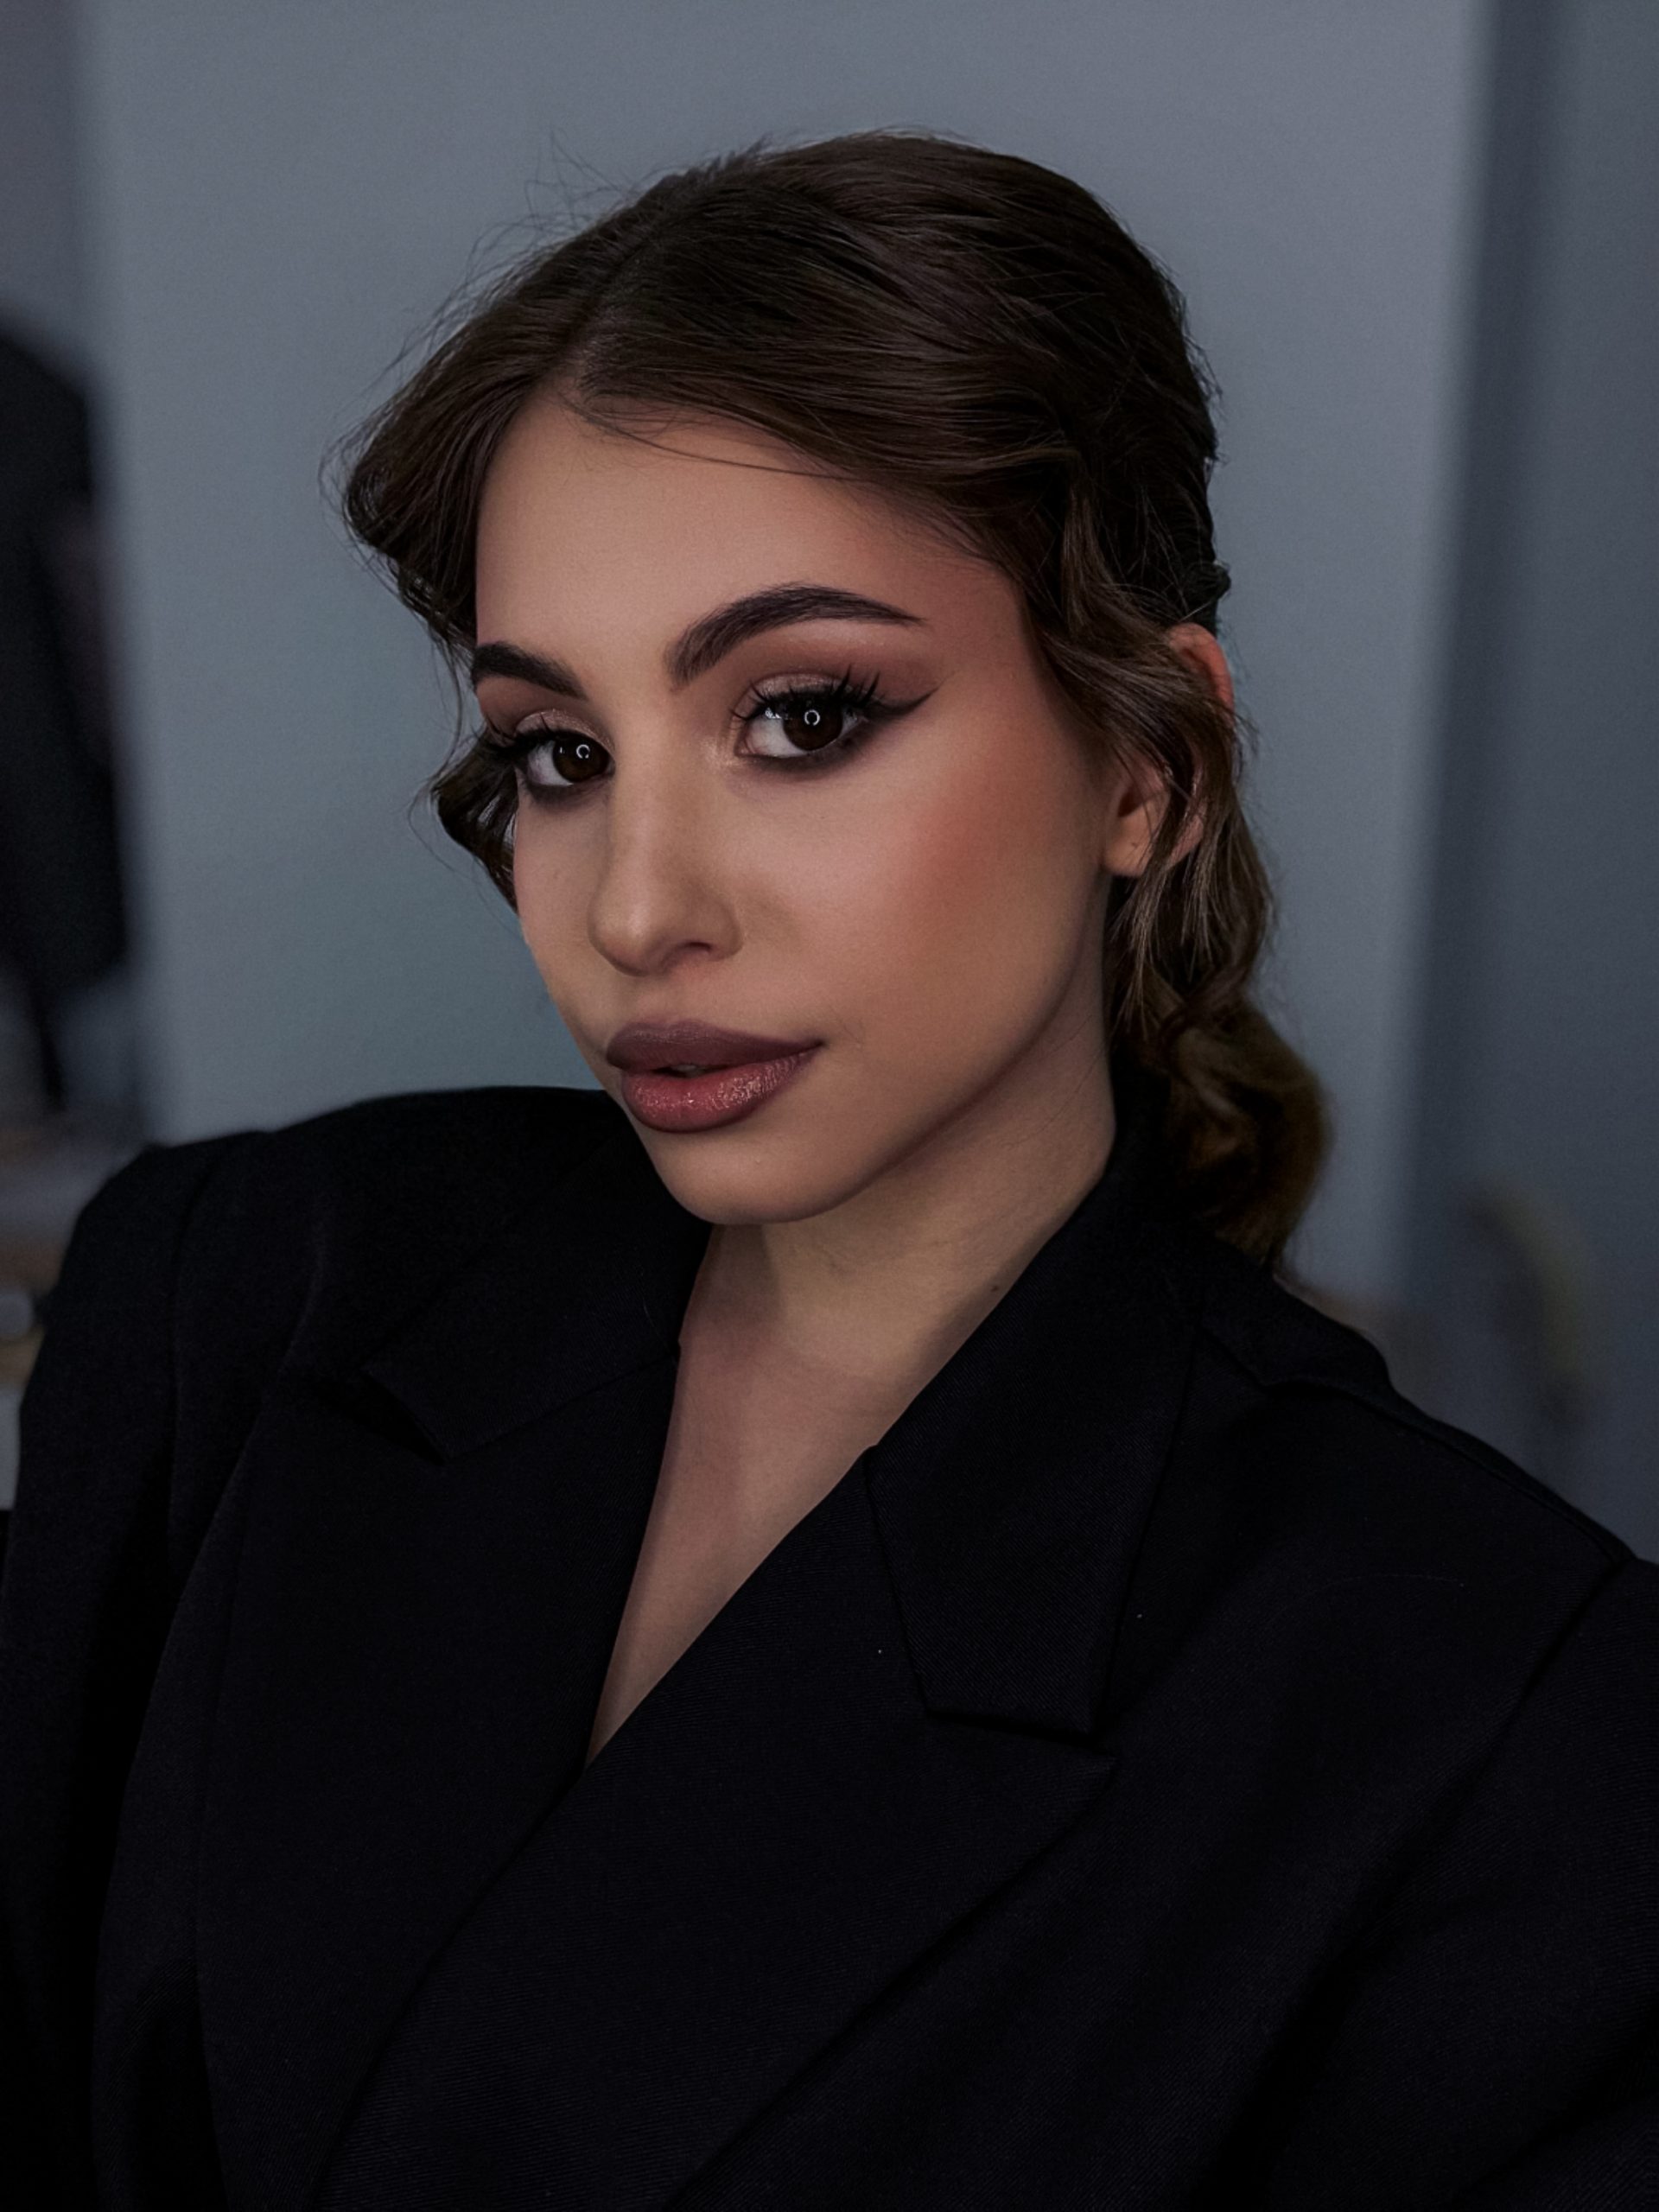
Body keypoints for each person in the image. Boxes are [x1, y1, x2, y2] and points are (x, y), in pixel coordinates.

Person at [1, 128, 1653, 2210]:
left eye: (801, 717)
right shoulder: (240, 1292)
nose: (637, 907)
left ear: (1148, 763)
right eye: (558, 751)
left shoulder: (1492, 1702)